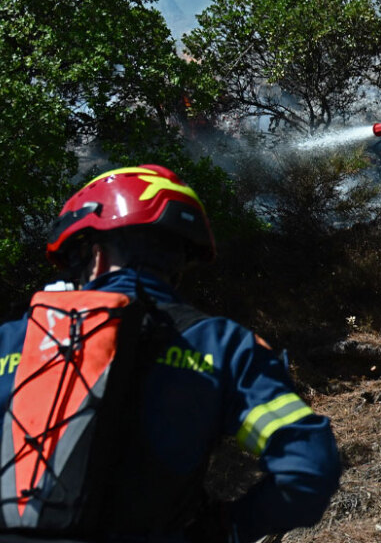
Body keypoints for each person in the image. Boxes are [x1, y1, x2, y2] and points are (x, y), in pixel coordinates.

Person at [0, 165, 341, 541]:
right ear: (179, 259)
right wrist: (227, 528)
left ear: (95, 256)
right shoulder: (222, 345)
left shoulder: (13, 340)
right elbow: (310, 469)